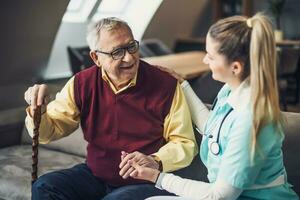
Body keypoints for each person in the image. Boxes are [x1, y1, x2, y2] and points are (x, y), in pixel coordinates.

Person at [125, 13, 300, 200]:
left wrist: (157, 177)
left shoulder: (251, 119)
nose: (205, 61)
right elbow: (213, 129)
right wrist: (183, 85)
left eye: (211, 56)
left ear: (236, 67)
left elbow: (219, 196)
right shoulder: (231, 90)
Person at [24, 17, 198, 200]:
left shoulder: (165, 85)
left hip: (146, 181)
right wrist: (39, 111)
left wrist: (155, 160)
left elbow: (185, 143)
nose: (129, 57)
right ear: (96, 57)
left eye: (132, 46)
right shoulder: (81, 83)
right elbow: (47, 132)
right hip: (95, 174)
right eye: (117, 52)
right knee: (44, 187)